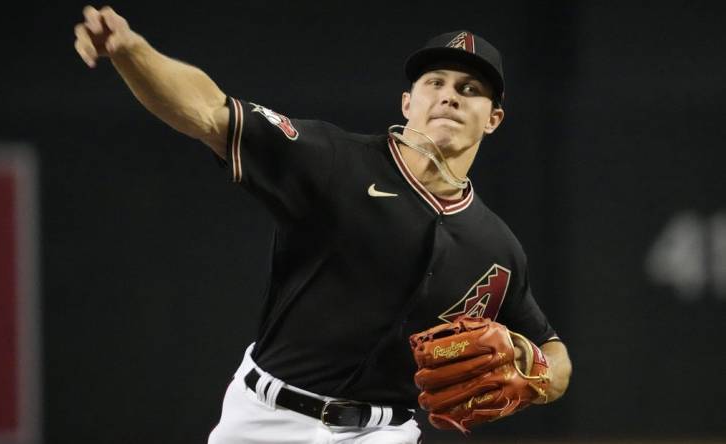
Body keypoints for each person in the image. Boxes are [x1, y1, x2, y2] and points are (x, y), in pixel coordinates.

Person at [74, 6, 572, 443]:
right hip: (264, 420)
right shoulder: (335, 161)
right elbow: (208, 112)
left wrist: (540, 373)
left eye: (470, 89)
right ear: (407, 103)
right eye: (434, 83)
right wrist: (131, 51)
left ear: (494, 119)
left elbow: (553, 350)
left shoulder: (496, 247)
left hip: (385, 433)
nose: (450, 96)